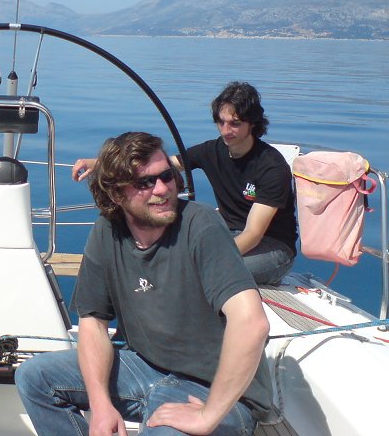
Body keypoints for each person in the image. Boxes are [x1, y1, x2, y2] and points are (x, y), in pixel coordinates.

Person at [16, 132, 275, 435]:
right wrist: (100, 405)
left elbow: (251, 324)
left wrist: (208, 415)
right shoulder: (107, 232)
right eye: (144, 183)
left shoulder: (201, 226)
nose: (162, 189)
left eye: (167, 176)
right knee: (34, 377)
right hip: (144, 368)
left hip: (210, 389)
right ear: (116, 195)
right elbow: (93, 323)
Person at [72, 82, 297, 285]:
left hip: (273, 247)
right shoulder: (212, 150)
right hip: (227, 233)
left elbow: (253, 233)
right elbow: (163, 164)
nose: (226, 130)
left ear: (252, 124)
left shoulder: (272, 167)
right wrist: (99, 163)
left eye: (235, 123)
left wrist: (213, 259)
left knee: (207, 272)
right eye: (221, 122)